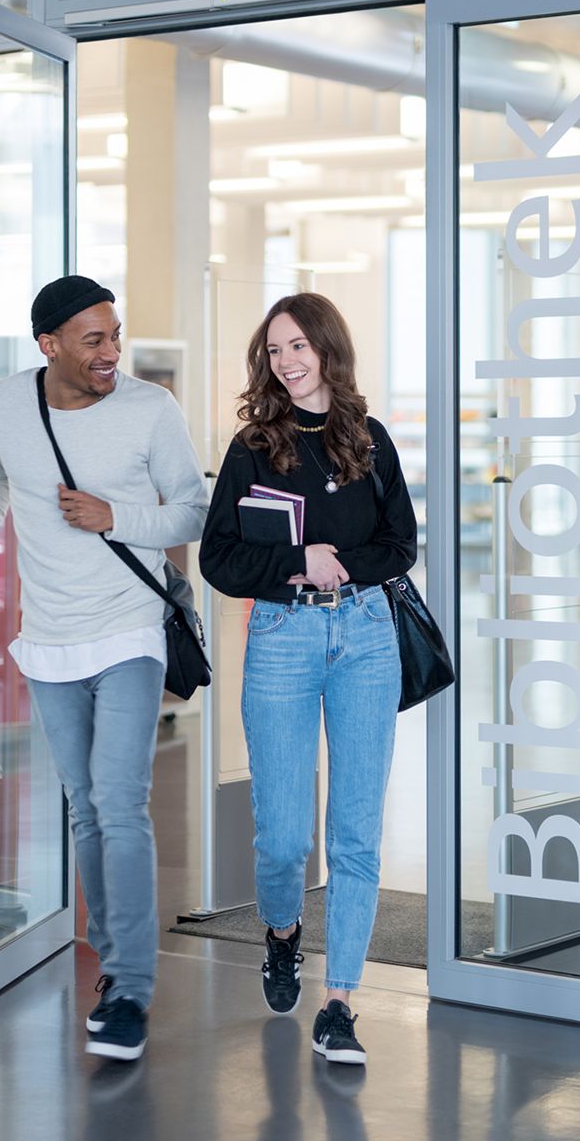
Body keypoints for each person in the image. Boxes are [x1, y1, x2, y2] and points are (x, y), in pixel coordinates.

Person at [0, 275, 209, 1062]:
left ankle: (130, 987)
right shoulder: (1, 405)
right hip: (50, 637)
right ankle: (114, 968)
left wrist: (114, 516)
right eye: (93, 340)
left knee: (121, 803)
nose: (112, 353)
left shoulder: (150, 411)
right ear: (49, 344)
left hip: (129, 630)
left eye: (116, 335)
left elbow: (193, 509)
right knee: (85, 809)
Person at [200, 292, 416, 1067]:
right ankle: (283, 931)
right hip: (284, 636)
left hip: (365, 635)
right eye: (275, 349)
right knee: (285, 835)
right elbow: (218, 558)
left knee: (355, 833)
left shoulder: (372, 440)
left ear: (327, 349)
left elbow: (402, 545)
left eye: (299, 346)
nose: (287, 361)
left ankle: (341, 1001)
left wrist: (343, 565)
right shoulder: (254, 445)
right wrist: (297, 562)